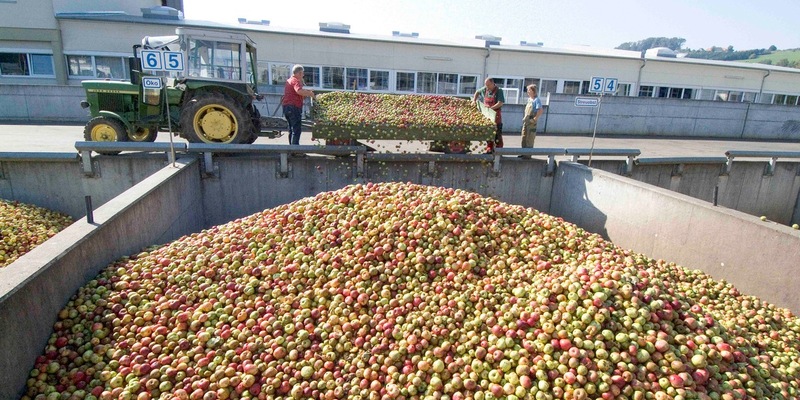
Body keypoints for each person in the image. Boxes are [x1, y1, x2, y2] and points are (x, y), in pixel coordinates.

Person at [283, 64, 315, 146]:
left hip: (287, 107)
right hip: (293, 107)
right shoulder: (295, 81)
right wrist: (310, 94)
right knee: (296, 129)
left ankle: (291, 148)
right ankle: (295, 150)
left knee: (291, 129)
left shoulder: (289, 80)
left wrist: (306, 92)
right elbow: (299, 91)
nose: (303, 75)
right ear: (299, 73)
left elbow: (297, 94)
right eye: (302, 73)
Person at [473, 77, 504, 153]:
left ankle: (499, 150)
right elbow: (477, 92)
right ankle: (489, 148)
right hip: (487, 116)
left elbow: (500, 103)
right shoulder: (485, 89)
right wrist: (474, 100)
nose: (487, 87)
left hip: (496, 115)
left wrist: (491, 108)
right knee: (488, 132)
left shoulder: (499, 91)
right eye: (486, 85)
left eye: (488, 85)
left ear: (493, 83)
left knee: (497, 134)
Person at [520, 84, 544, 157]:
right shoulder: (529, 99)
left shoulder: (537, 100)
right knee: (524, 137)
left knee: (529, 138)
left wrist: (534, 119)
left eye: (529, 90)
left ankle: (527, 155)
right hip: (526, 122)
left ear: (533, 91)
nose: (527, 91)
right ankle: (523, 153)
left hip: (531, 122)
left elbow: (540, 110)